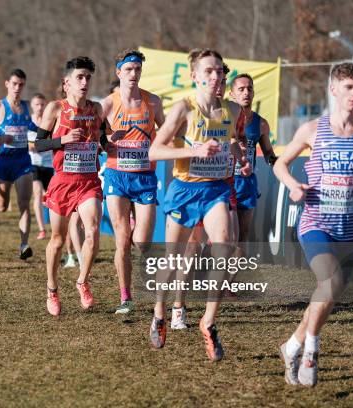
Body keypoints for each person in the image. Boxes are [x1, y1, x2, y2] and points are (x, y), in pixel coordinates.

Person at [274, 62, 353, 386]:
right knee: (331, 281)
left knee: (327, 292)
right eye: (349, 87)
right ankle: (310, 351)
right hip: (316, 222)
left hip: (352, 229)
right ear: (333, 89)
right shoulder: (312, 130)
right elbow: (281, 163)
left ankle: (290, 345)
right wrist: (293, 186)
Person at [148, 49, 251, 360]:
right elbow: (155, 151)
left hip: (216, 189)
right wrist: (193, 152)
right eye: (208, 71)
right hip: (184, 190)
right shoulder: (184, 109)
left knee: (225, 246)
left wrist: (240, 157)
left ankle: (208, 322)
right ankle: (159, 311)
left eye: (219, 71)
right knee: (172, 261)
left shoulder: (233, 109)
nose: (215, 76)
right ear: (194, 76)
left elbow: (232, 141)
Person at [35, 56, 104, 316]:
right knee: (57, 239)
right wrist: (62, 139)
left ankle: (82, 281)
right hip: (63, 182)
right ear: (67, 83)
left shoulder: (96, 109)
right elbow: (38, 144)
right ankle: (52, 289)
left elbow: (104, 138)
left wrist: (111, 143)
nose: (84, 82)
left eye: (88, 77)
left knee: (93, 230)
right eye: (79, 77)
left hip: (88, 181)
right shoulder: (55, 109)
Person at [100, 49, 165, 314]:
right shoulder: (107, 104)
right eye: (128, 69)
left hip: (145, 176)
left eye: (137, 69)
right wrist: (108, 141)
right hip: (117, 176)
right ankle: (125, 297)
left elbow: (167, 132)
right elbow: (97, 139)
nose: (134, 74)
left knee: (143, 243)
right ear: (118, 72)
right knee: (122, 241)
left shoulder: (153, 102)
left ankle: (136, 221)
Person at [0, 69, 36, 260]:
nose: (17, 88)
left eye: (21, 84)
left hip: (23, 161)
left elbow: (35, 128)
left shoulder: (27, 107)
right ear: (7, 84)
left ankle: (24, 244)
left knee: (24, 204)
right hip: (4, 161)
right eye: (14, 84)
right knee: (3, 204)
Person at [229, 74, 276, 243]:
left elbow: (268, 153)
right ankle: (205, 264)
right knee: (224, 235)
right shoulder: (223, 120)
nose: (246, 92)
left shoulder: (261, 123)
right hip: (225, 179)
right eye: (241, 89)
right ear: (232, 94)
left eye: (249, 88)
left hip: (246, 182)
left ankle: (235, 269)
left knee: (242, 235)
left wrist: (278, 162)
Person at [27, 93, 53, 240]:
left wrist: (42, 145)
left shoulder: (49, 121)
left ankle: (55, 224)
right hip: (33, 163)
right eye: (37, 104)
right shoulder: (27, 121)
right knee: (37, 193)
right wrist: (30, 146)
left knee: (52, 196)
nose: (40, 107)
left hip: (48, 164)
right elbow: (22, 142)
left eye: (42, 104)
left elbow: (53, 141)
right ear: (32, 105)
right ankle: (42, 229)